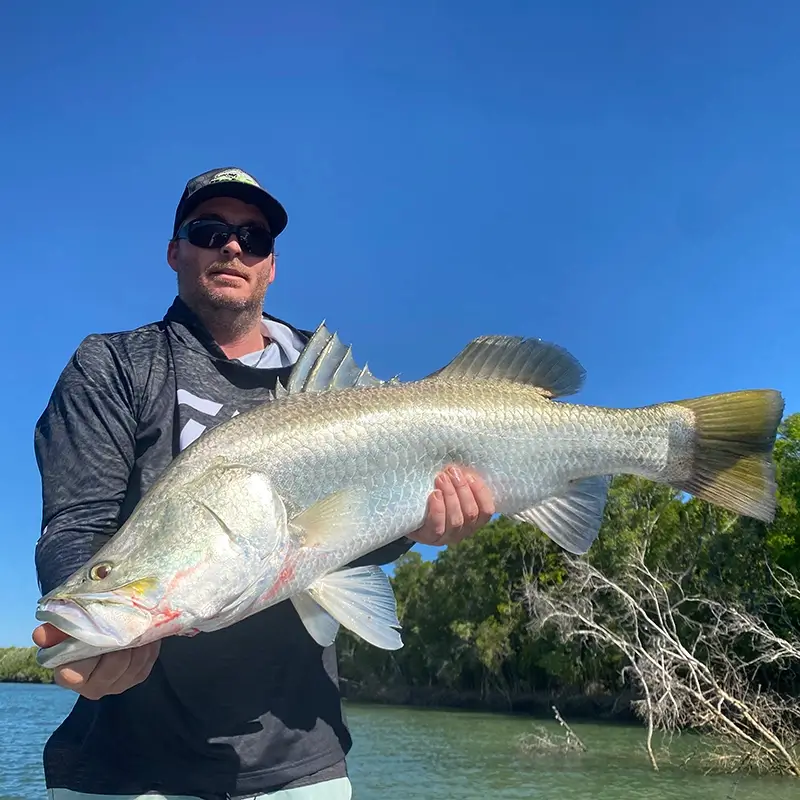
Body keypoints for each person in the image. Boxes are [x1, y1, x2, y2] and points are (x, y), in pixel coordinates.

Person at [32, 167, 496, 800]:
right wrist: (90, 626)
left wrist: (426, 525)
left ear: (270, 266)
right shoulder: (113, 365)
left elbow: (364, 536)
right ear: (175, 250)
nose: (232, 247)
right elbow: (78, 523)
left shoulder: (330, 380)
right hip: (124, 766)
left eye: (253, 238)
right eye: (209, 230)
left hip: (299, 764)